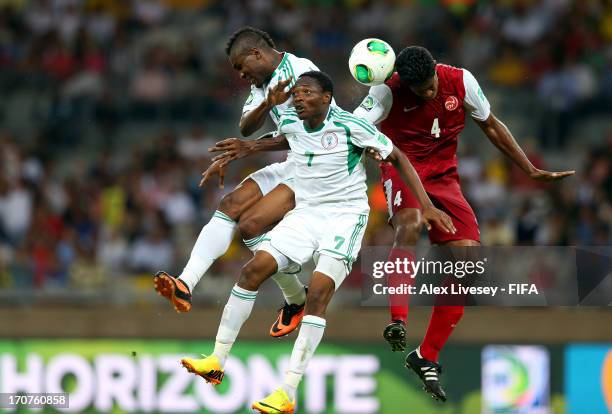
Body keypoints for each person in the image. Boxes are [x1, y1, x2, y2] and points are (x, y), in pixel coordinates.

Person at [181, 71, 455, 414]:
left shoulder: (349, 125)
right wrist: (247, 148)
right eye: (296, 93)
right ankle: (217, 359)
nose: (298, 98)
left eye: (306, 93)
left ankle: (287, 391)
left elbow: (397, 156)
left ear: (326, 98)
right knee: (252, 271)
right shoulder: (294, 123)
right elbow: (280, 139)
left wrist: (426, 205)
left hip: (345, 217)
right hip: (306, 214)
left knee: (320, 292)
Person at [353, 46, 575, 401]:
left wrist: (528, 168)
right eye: (419, 90)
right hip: (401, 169)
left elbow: (491, 125)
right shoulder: (385, 91)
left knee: (470, 262)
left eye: (430, 86)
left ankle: (426, 356)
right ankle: (398, 319)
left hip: (444, 177)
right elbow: (354, 124)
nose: (428, 93)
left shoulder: (460, 80)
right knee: (409, 224)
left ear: (436, 74)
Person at [154, 27, 324, 338]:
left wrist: (254, 147)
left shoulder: (301, 72)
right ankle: (186, 283)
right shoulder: (262, 87)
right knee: (230, 205)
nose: (241, 76)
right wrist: (266, 106)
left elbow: (315, 134)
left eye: (241, 67)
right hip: (295, 163)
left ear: (257, 54)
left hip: (319, 167)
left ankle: (297, 298)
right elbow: (246, 127)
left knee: (249, 227)